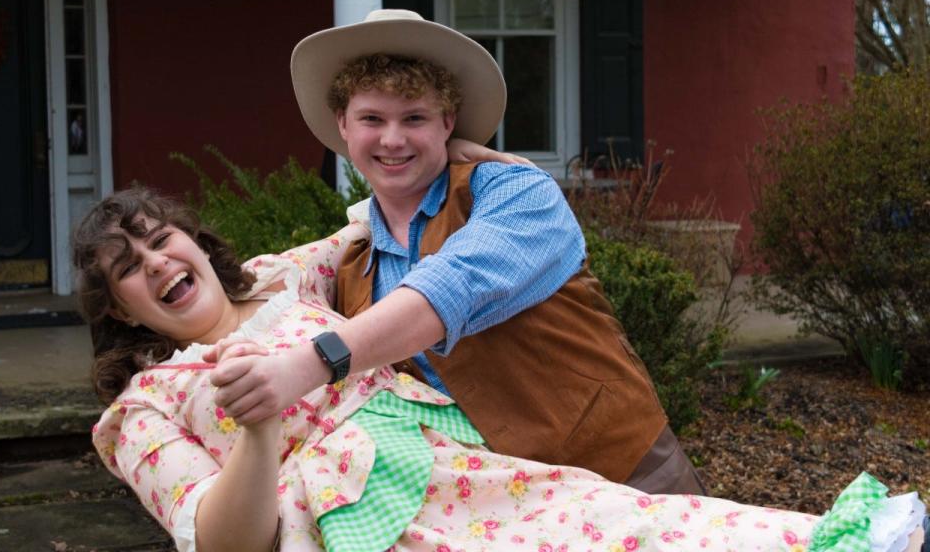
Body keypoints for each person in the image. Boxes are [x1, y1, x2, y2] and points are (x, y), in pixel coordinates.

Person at [80, 188, 926, 552]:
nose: (156, 262)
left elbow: (384, 200)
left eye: (162, 237)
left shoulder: (282, 279)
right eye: (129, 265)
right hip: (352, 524)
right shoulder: (143, 410)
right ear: (119, 306)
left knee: (635, 529)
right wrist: (257, 434)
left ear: (192, 239)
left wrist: (453, 140)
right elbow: (223, 542)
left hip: (463, 461)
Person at [222, 7, 693, 493]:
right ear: (343, 124)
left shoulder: (515, 192)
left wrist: (303, 366)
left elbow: (450, 287)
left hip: (626, 472)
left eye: (414, 118)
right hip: (501, 512)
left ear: (448, 121)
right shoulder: (354, 271)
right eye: (371, 118)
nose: (392, 138)